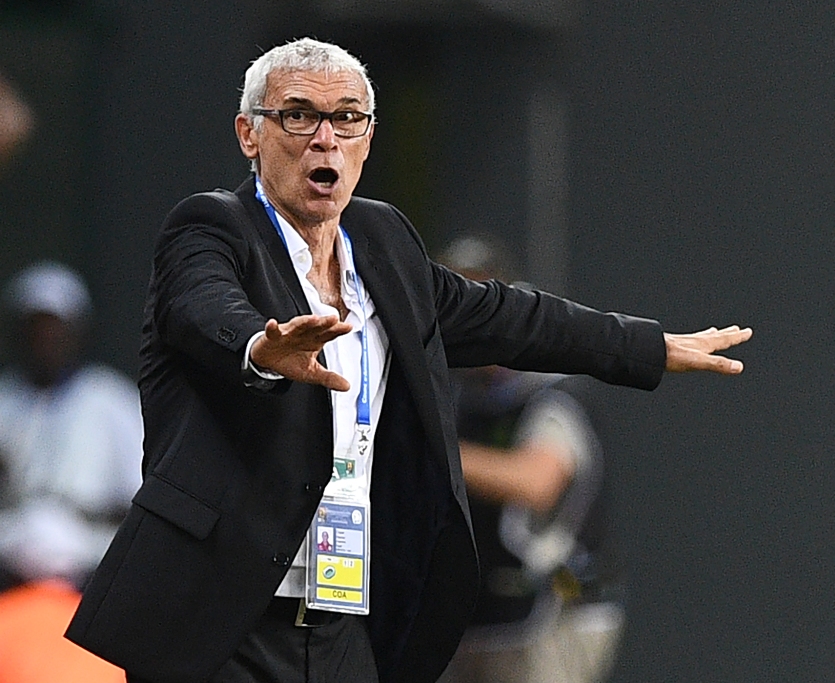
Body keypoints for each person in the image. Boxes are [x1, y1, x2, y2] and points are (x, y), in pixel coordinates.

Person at [65, 37, 751, 683]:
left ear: (367, 137)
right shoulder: (212, 226)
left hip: (344, 614)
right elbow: (200, 304)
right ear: (250, 134)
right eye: (297, 115)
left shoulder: (382, 241)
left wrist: (647, 345)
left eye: (346, 118)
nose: (323, 138)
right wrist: (259, 346)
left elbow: (508, 315)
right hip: (223, 612)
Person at [438, 236, 626, 683]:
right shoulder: (460, 392)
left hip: (551, 614)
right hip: (482, 617)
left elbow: (537, 482)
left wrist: (430, 454)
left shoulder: (552, 392)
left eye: (482, 297)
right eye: (456, 298)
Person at [0, 261, 143, 592]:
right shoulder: (6, 397)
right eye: (35, 328)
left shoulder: (111, 400)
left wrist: (84, 510)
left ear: (76, 332)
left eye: (55, 328)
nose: (45, 338)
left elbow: (140, 500)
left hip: (88, 568)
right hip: (10, 567)